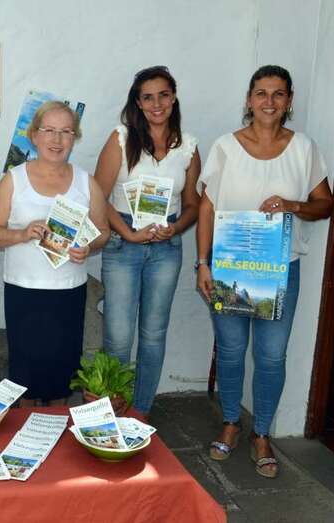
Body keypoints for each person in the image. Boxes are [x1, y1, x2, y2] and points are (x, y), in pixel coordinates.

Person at [197, 65, 332, 478]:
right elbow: (207, 208)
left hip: (279, 269)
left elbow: (325, 204)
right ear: (249, 99)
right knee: (231, 350)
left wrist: (292, 205)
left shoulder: (303, 148)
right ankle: (231, 423)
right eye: (261, 93)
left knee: (271, 355)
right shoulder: (226, 147)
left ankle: (262, 434)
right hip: (230, 267)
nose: (269, 101)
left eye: (278, 94)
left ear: (289, 101)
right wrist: (202, 263)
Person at [0, 101, 109, 406]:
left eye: (66, 131)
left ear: (75, 138)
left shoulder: (86, 182)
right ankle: (24, 433)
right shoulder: (14, 179)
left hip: (68, 292)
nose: (57, 139)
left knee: (63, 376)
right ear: (34, 135)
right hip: (24, 291)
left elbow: (103, 231)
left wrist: (88, 247)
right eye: (49, 130)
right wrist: (21, 234)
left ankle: (58, 431)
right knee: (24, 378)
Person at [94, 66, 201, 417]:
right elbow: (98, 196)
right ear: (137, 103)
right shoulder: (121, 138)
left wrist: (176, 227)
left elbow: (192, 205)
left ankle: (140, 411)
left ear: (174, 97)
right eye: (148, 97)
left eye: (163, 95)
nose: (157, 104)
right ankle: (113, 413)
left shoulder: (188, 146)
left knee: (154, 334)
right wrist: (127, 233)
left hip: (166, 247)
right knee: (118, 337)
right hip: (123, 242)